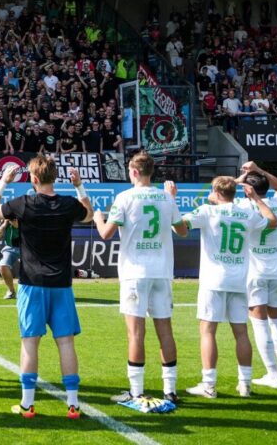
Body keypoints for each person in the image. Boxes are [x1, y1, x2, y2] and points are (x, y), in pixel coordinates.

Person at [0, 156, 92, 420]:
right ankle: (73, 405)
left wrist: (2, 182)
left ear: (33, 178)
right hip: (62, 285)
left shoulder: (24, 204)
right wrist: (79, 187)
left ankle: (27, 404)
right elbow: (89, 215)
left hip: (33, 284)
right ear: (55, 177)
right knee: (65, 343)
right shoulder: (67, 204)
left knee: (30, 343)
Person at [91, 151, 187, 410]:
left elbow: (105, 234)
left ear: (133, 172)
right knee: (165, 330)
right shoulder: (166, 197)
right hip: (162, 271)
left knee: (136, 332)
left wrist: (98, 217)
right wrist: (172, 202)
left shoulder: (124, 197)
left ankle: (136, 391)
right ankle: (170, 390)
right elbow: (182, 230)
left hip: (135, 272)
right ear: (150, 172)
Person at [181, 176, 277, 399]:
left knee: (208, 331)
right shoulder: (247, 213)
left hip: (213, 280)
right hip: (238, 280)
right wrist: (256, 199)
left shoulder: (207, 211)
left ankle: (209, 385)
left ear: (216, 191)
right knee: (241, 332)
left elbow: (181, 225)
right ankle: (245, 384)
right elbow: (273, 222)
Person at [236, 162, 277, 388]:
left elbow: (218, 192)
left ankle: (273, 375)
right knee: (276, 321)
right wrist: (259, 170)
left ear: (248, 190)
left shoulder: (245, 207)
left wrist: (240, 180)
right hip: (276, 271)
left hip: (255, 272)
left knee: (259, 323)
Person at [0, 217, 20, 300]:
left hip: (27, 247)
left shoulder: (26, 215)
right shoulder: (5, 219)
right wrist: (4, 225)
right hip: (10, 247)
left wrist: (16, 224)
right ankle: (11, 291)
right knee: (3, 265)